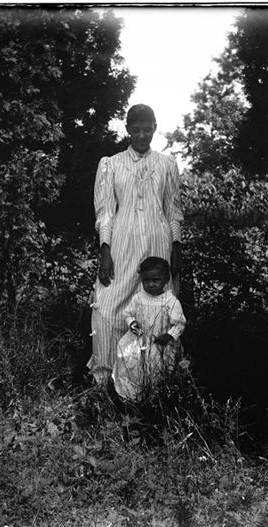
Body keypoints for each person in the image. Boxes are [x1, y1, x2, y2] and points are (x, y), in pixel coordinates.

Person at [87, 104, 183, 386]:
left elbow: (173, 210)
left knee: (158, 310)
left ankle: (152, 382)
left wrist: (176, 246)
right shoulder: (111, 164)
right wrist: (105, 250)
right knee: (106, 308)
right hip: (122, 244)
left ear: (155, 128)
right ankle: (105, 381)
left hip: (157, 245)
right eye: (136, 129)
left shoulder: (167, 164)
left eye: (147, 129)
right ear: (128, 129)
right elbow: (105, 212)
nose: (142, 135)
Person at [113, 257, 186, 400]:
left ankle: (155, 397)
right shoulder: (139, 298)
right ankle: (133, 396)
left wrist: (169, 335)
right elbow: (128, 314)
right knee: (133, 365)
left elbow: (179, 324)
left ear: (166, 279)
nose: (150, 284)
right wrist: (132, 323)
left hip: (160, 343)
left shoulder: (170, 301)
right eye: (146, 280)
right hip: (139, 340)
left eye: (156, 280)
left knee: (157, 368)